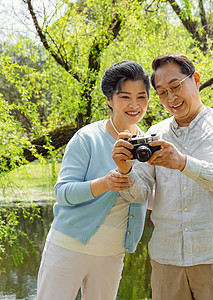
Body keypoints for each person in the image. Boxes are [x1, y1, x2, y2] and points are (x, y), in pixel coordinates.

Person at [113, 53, 213, 300]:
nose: (171, 98)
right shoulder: (156, 133)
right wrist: (125, 170)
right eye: (162, 92)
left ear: (195, 80)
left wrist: (183, 163)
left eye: (175, 86)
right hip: (167, 258)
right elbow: (141, 193)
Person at [36, 60, 150, 300]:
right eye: (125, 97)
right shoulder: (87, 138)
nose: (134, 105)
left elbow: (147, 195)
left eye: (141, 97)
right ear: (109, 99)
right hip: (68, 246)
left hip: (112, 252)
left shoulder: (149, 144)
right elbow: (63, 193)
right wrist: (105, 183)